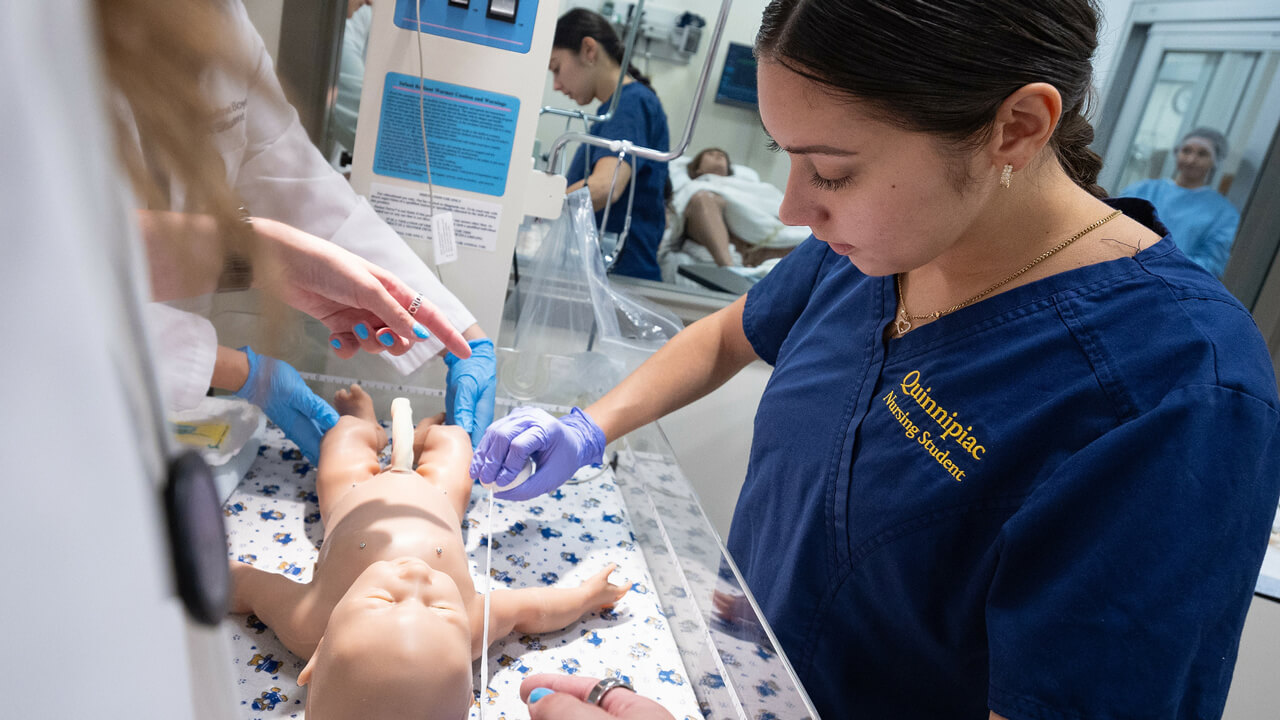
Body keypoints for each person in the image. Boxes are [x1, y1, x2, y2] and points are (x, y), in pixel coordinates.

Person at [473, 1, 1280, 718]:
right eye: (788, 158)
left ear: (1017, 128)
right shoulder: (871, 248)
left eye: (831, 170)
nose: (793, 208)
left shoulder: (1179, 388)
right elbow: (731, 334)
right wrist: (591, 425)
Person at [129, 0, 498, 456]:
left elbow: (292, 180)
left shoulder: (223, 18)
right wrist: (233, 370)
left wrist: (462, 336)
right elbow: (48, 276)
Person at [229, 385, 628, 719]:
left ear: (318, 658)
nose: (418, 578)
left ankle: (365, 423)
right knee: (457, 445)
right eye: (440, 610)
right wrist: (585, 598)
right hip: (439, 499)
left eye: (384, 599)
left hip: (352, 496)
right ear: (470, 694)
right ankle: (427, 435)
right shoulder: (471, 628)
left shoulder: (307, 621)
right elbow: (534, 609)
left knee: (342, 440)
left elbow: (245, 585)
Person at [550, 8, 670, 282]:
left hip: (622, 276)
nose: (556, 84)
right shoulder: (618, 108)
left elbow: (606, 186)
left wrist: (544, 205)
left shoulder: (629, 105)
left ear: (589, 49)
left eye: (557, 68)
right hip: (610, 274)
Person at [1121, 128, 1241, 278]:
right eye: (1186, 151)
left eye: (1202, 154)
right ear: (1177, 153)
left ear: (1215, 162)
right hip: (1123, 271)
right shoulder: (1142, 189)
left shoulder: (1224, 213)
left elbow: (1212, 265)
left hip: (1173, 284)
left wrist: (1164, 263)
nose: (1191, 160)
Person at [676, 147, 798, 268]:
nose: (718, 156)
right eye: (710, 154)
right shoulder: (695, 187)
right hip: (725, 235)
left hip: (764, 239)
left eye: (722, 155)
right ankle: (728, 267)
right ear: (698, 168)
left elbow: (772, 204)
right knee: (703, 199)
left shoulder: (752, 187)